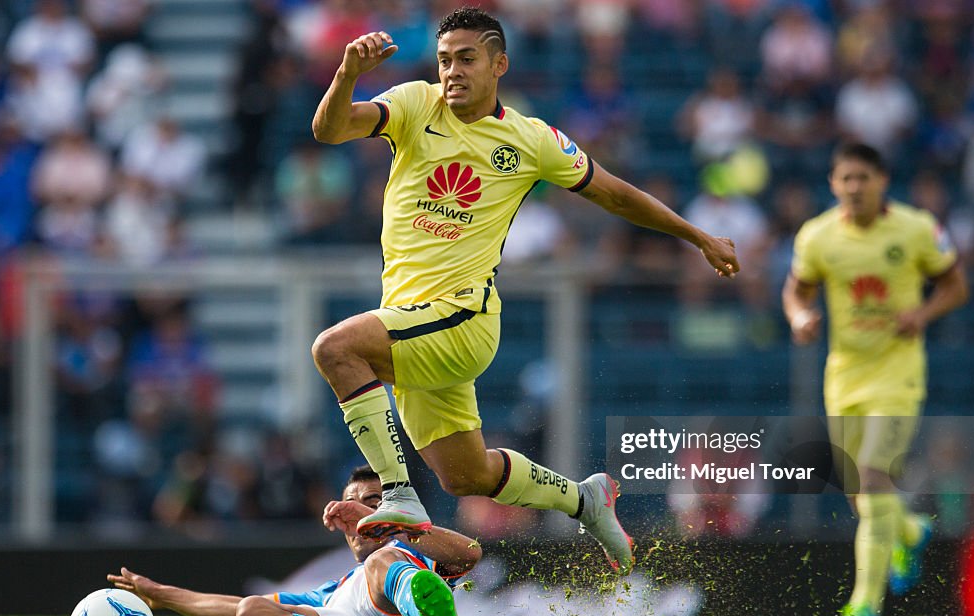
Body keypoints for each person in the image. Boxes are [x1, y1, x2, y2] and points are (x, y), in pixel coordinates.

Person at [309, 6, 740, 575]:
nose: (452, 71)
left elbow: (613, 194)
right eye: (444, 60)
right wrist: (347, 74)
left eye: (466, 59)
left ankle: (397, 495)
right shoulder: (415, 104)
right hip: (412, 321)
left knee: (334, 348)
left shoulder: (531, 140)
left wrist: (697, 236)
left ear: (499, 64)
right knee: (467, 477)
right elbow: (329, 129)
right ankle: (585, 500)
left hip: (462, 317)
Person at [782, 142, 969, 616]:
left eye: (864, 178)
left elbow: (956, 285)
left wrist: (923, 313)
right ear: (833, 184)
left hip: (897, 372)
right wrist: (800, 316)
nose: (855, 188)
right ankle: (907, 531)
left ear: (882, 181)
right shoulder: (818, 236)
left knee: (872, 475)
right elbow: (797, 290)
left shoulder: (917, 229)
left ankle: (865, 604)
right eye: (846, 179)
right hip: (844, 374)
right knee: (860, 494)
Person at [107, 466, 481, 616]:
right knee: (251, 611)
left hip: (404, 613)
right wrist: (163, 595)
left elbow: (469, 553)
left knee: (381, 560)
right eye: (351, 507)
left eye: (372, 503)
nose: (357, 517)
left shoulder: (410, 549)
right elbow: (232, 607)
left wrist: (389, 522)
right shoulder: (334, 590)